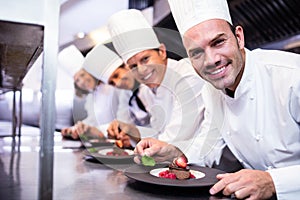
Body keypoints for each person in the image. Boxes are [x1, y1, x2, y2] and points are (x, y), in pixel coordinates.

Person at [135, 0, 300, 199]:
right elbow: (208, 148)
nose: (211, 60)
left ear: (239, 37)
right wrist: (174, 152)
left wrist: (273, 181)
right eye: (196, 52)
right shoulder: (211, 90)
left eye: (218, 42)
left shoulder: (292, 76)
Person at [106, 9, 206, 150]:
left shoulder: (187, 77)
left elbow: (175, 137)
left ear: (162, 51)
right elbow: (158, 132)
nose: (141, 70)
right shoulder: (145, 91)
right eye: (133, 66)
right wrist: (131, 131)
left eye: (145, 59)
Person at [60, 44, 121, 140]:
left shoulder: (113, 86)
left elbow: (123, 120)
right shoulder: (92, 96)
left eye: (83, 75)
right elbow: (92, 121)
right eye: (77, 80)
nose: (82, 81)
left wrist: (94, 130)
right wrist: (76, 129)